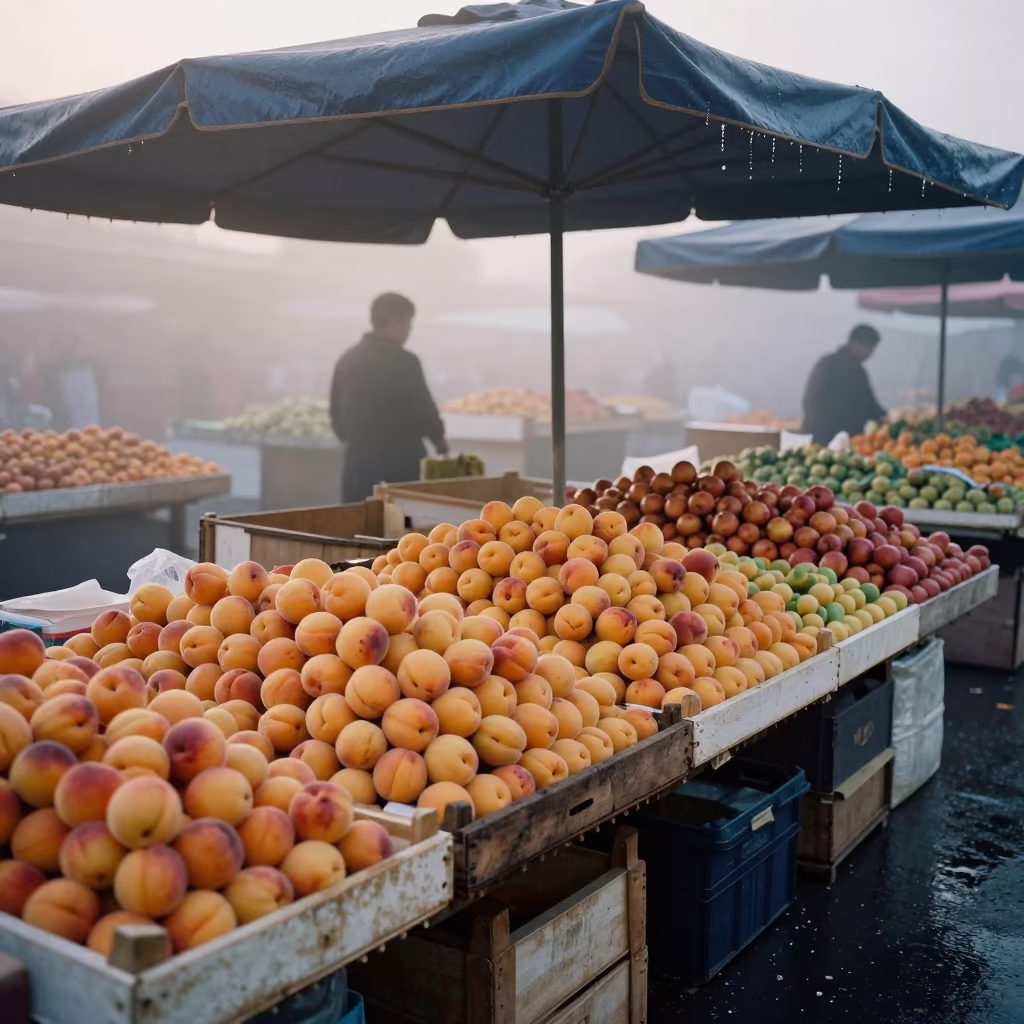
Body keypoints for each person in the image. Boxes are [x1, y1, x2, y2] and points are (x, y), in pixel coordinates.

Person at [330, 293, 448, 502]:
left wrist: (358, 443)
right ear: (395, 321)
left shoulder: (347, 360)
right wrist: (439, 440)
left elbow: (336, 415)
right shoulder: (405, 362)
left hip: (358, 467)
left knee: (357, 527)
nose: (409, 331)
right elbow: (423, 410)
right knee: (398, 530)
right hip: (399, 467)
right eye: (408, 324)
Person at [801, 324, 886, 444]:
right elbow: (864, 403)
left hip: (813, 433)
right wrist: (884, 417)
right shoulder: (851, 369)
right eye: (869, 348)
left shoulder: (827, 361)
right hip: (832, 438)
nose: (870, 353)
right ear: (855, 342)